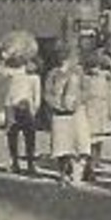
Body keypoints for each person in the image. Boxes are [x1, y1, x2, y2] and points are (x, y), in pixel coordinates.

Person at [44, 46, 88, 185]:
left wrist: (78, 101)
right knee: (61, 145)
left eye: (67, 57)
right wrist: (55, 105)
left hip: (76, 112)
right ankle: (63, 173)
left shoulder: (78, 73)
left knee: (79, 143)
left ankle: (77, 173)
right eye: (61, 57)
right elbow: (47, 93)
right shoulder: (52, 74)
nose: (64, 60)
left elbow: (85, 90)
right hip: (60, 114)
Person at [0, 57, 43, 175]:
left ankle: (30, 164)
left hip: (27, 108)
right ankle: (14, 162)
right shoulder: (16, 72)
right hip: (11, 107)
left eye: (34, 64)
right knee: (12, 135)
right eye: (29, 62)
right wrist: (5, 57)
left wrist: (34, 110)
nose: (31, 66)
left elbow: (37, 95)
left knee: (30, 138)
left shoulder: (35, 78)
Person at [80, 36, 111, 182]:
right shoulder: (86, 75)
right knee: (90, 136)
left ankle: (96, 160)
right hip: (90, 106)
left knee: (99, 135)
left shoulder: (107, 74)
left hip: (102, 106)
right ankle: (89, 164)